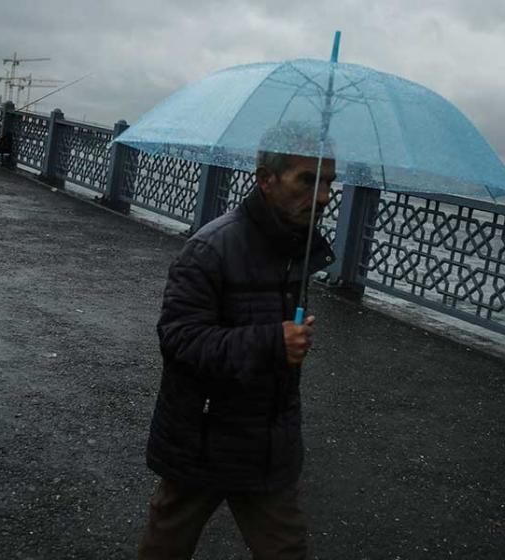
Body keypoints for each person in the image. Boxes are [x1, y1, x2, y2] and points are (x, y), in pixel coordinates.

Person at [138, 122, 336, 560]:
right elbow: (179, 340)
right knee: (168, 543)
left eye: (327, 183)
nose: (322, 197)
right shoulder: (211, 249)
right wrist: (273, 342)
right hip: (204, 435)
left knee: (286, 549)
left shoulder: (295, 247)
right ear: (265, 179)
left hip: (269, 441)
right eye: (308, 180)